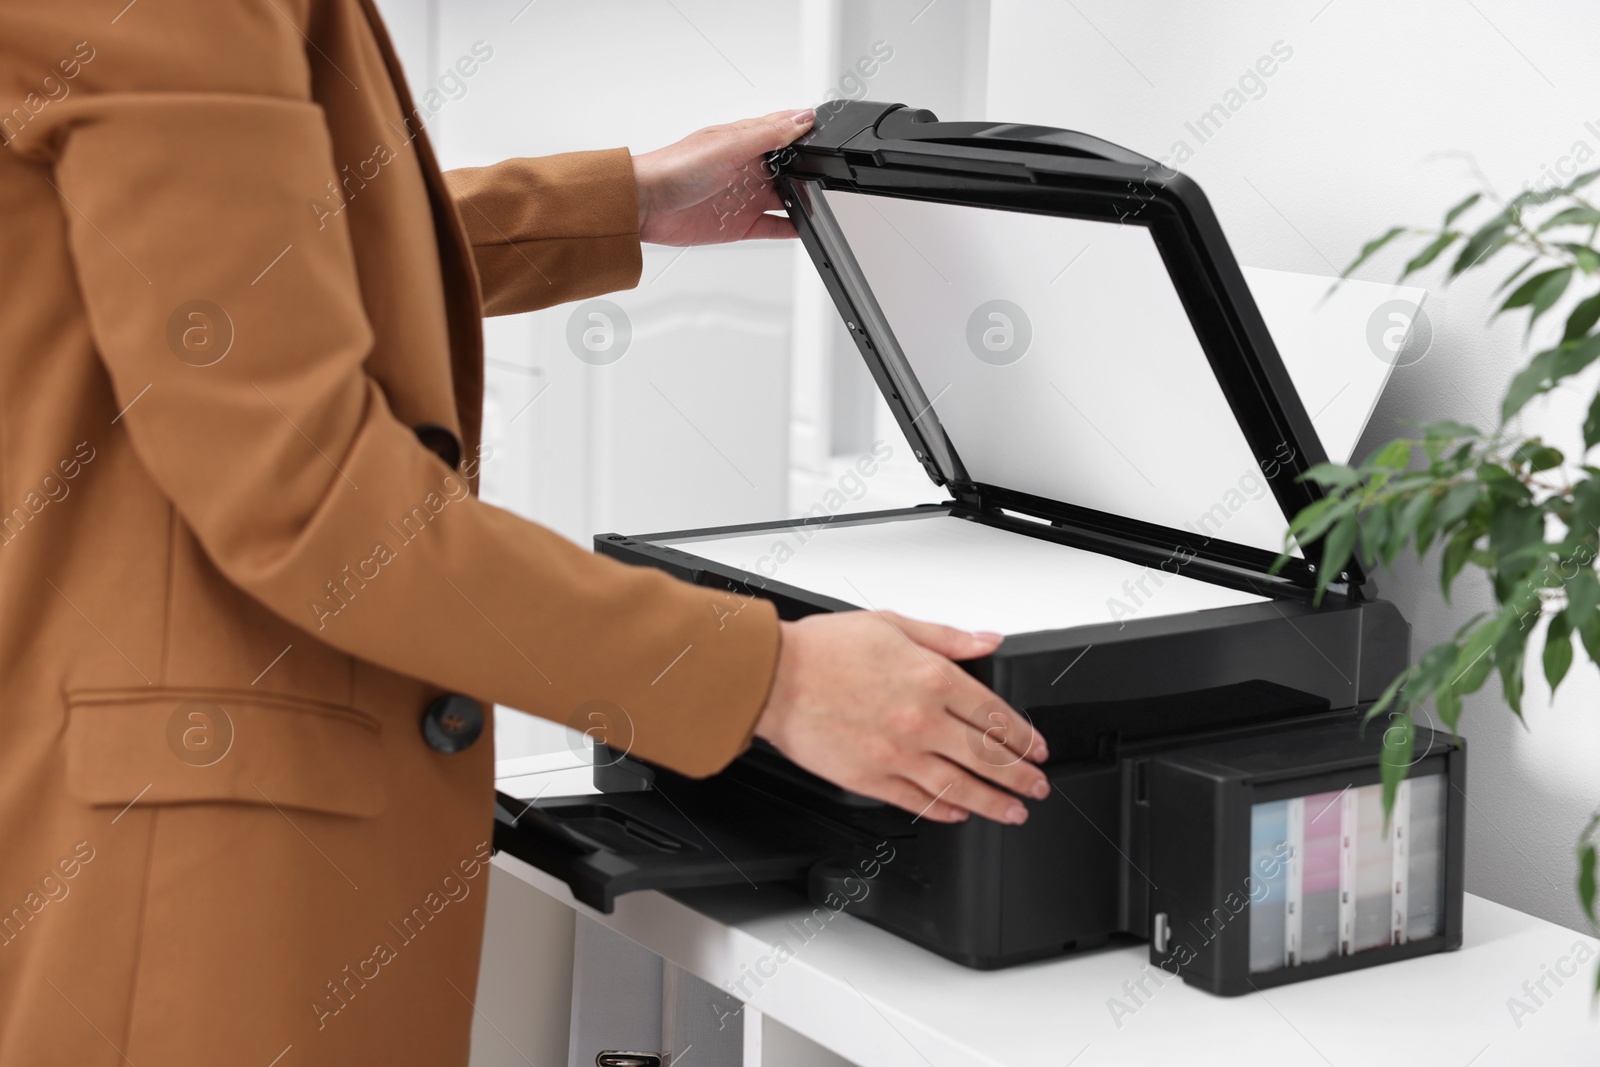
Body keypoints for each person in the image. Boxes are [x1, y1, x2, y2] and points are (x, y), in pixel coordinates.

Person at [0, 2, 1047, 1063]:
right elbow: (305, 494)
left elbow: (238, 253)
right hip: (189, 879)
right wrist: (768, 676)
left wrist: (619, 201)